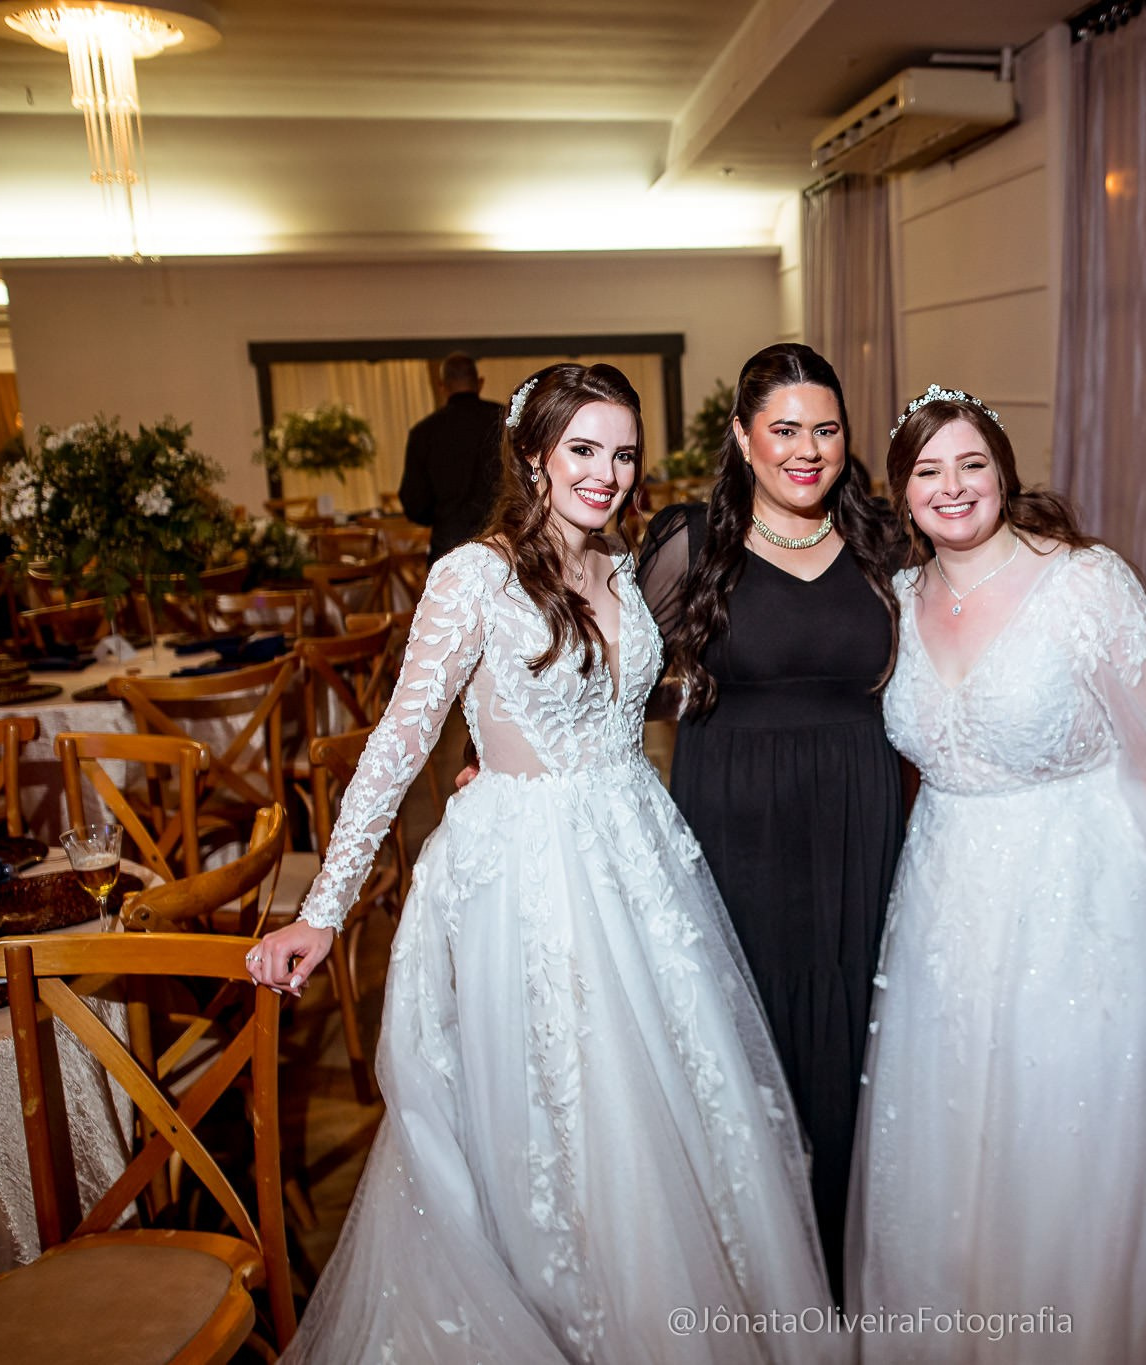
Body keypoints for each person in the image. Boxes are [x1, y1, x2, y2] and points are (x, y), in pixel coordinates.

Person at [248, 363, 838, 1364]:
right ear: (532, 456)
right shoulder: (471, 575)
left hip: (638, 857)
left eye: (621, 454)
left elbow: (626, 698)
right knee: (556, 1121)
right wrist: (324, 908)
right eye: (581, 450)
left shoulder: (620, 567)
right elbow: (397, 742)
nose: (604, 473)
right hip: (527, 876)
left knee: (666, 1111)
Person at [850, 385, 1146, 1362]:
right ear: (901, 495)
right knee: (949, 1149)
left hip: (1079, 900)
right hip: (943, 897)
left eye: (970, 464)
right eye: (926, 471)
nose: (951, 488)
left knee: (1067, 1144)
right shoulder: (895, 599)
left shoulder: (1083, 581)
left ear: (1001, 473)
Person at [635, 342, 903, 1299]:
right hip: (733, 817)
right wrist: (496, 759)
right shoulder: (689, 543)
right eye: (784, 429)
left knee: (853, 1028)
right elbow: (606, 677)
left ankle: (841, 1264)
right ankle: (757, 1276)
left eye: (825, 429)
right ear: (743, 437)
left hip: (856, 818)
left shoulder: (881, 537)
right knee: (744, 1031)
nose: (807, 449)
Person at [399, 350, 506, 562]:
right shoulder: (505, 421)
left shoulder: (424, 431)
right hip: (505, 542)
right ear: (480, 382)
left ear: (442, 387)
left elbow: (414, 503)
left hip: (449, 546)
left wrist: (442, 514)